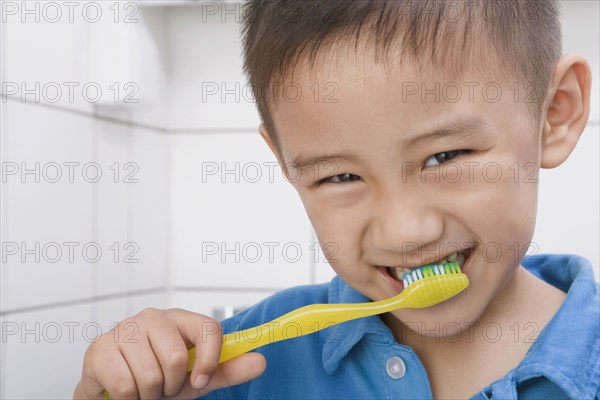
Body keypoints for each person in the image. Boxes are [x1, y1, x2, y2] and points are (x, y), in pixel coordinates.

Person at [74, 1, 599, 399]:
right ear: (286, 163)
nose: (403, 231)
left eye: (445, 157)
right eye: (341, 176)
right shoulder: (237, 361)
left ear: (554, 114)